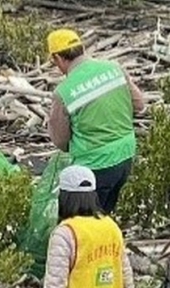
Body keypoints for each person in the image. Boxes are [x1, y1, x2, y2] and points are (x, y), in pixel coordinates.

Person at [46, 29, 144, 213]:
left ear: (58, 58)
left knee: (87, 221)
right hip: (126, 155)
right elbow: (139, 104)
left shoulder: (63, 92)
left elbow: (60, 141)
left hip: (94, 165)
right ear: (81, 48)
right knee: (107, 213)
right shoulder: (114, 68)